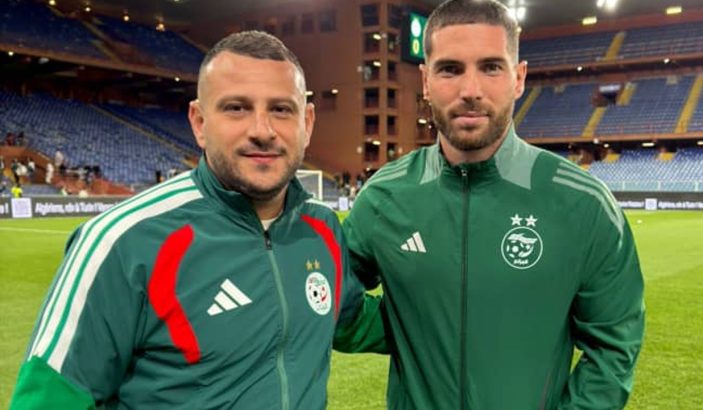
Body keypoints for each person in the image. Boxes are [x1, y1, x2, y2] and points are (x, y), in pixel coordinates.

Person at [10, 30, 385, 410]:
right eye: (236, 108)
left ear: (307, 122)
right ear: (200, 122)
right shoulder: (121, 243)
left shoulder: (322, 228)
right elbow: (49, 400)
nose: (262, 130)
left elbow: (350, 320)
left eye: (281, 109)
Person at [343, 1, 645, 409]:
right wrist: (405, 326)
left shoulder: (584, 206)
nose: (471, 90)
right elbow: (326, 301)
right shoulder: (384, 197)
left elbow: (613, 351)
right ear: (426, 81)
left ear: (519, 78)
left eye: (491, 67)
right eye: (450, 69)